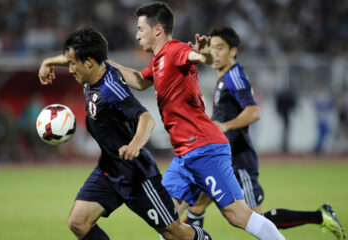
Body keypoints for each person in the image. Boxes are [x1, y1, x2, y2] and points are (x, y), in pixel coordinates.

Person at [108, 2, 285, 240]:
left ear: (157, 29)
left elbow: (201, 56)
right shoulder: (159, 60)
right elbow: (139, 81)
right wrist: (104, 63)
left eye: (141, 29)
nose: (137, 34)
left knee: (237, 215)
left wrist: (206, 53)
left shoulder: (174, 50)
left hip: (204, 149)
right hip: (184, 155)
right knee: (166, 220)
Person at [38, 27, 212, 240]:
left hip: (136, 174)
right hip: (109, 169)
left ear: (90, 62)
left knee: (174, 233)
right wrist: (49, 62)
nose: (71, 68)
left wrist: (135, 145)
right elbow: (73, 57)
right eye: (70, 63)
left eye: (74, 64)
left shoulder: (111, 90)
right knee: (78, 222)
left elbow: (146, 118)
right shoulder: (93, 70)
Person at [182, 26, 346, 240]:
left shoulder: (235, 76)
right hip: (221, 158)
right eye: (213, 48)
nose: (215, 52)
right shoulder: (223, 77)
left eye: (220, 47)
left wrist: (225, 126)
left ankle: (319, 216)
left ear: (233, 51)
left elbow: (254, 111)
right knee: (195, 208)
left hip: (238, 161)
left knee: (255, 219)